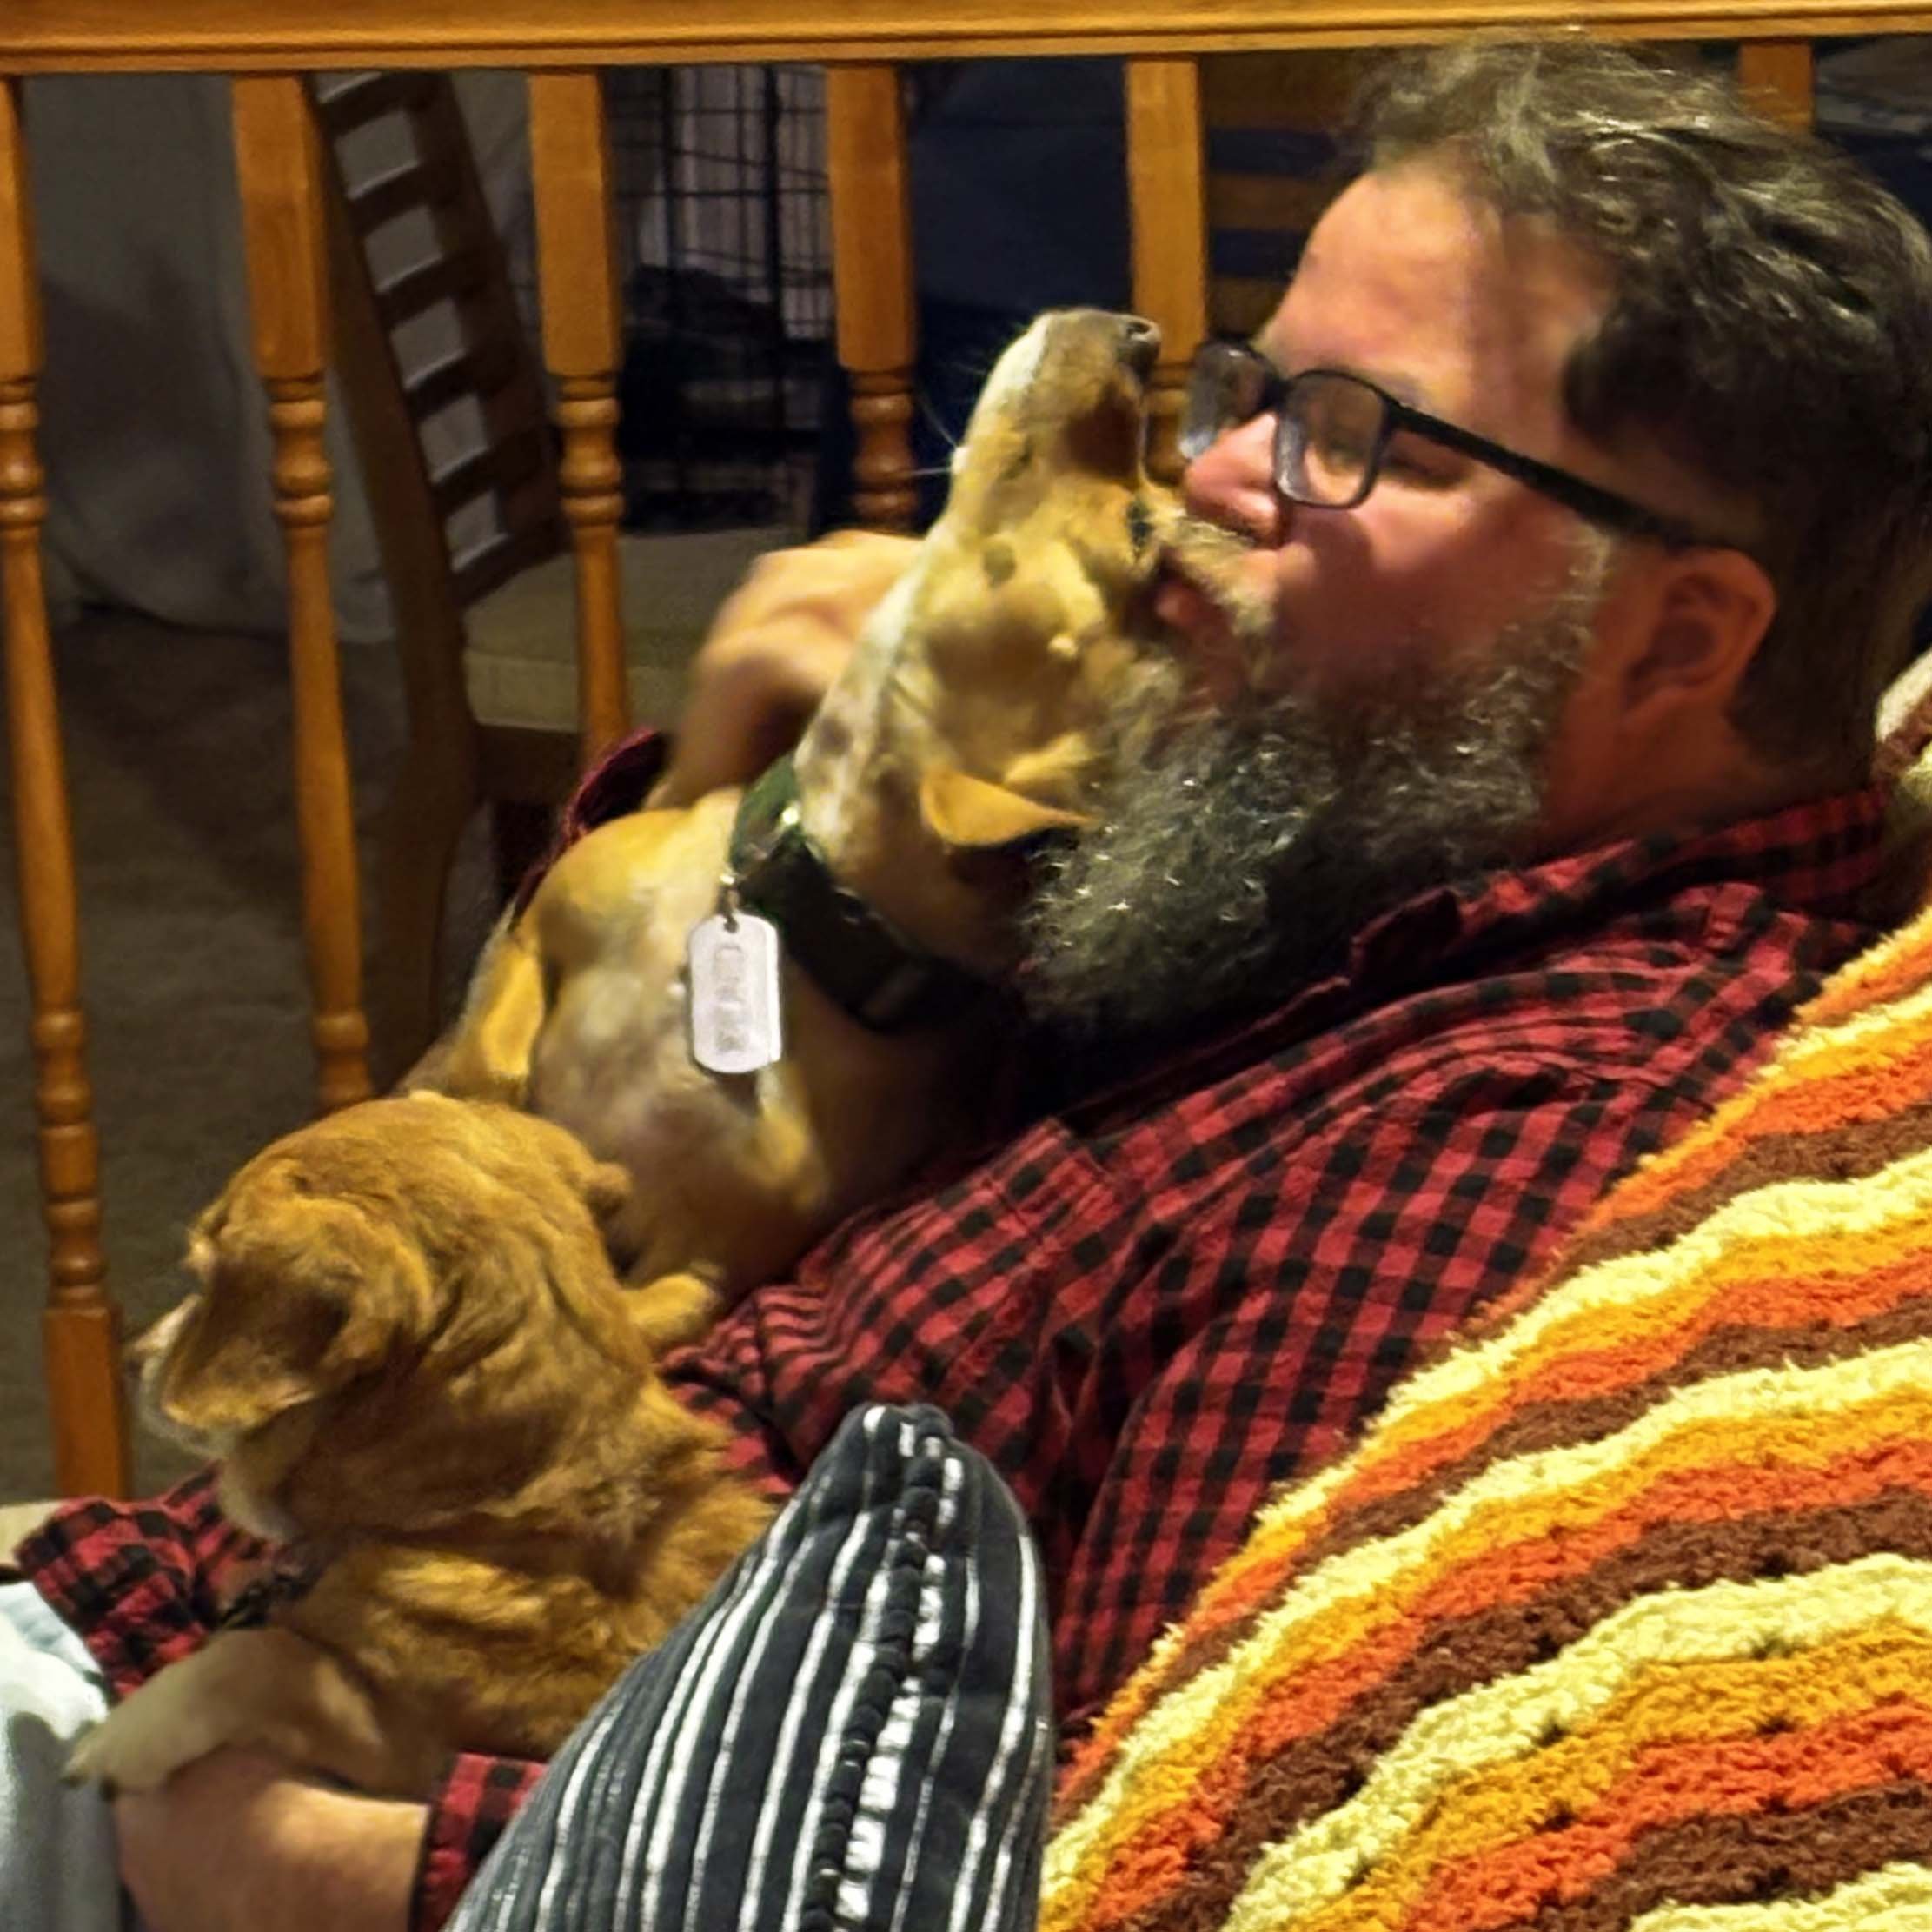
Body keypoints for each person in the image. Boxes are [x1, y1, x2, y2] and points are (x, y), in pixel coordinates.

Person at [10, 35, 1932, 1932]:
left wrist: (320, 1864)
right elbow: (661, 1072)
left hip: (284, 1763)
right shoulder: (1351, 845)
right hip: (218, 1596)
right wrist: (784, 817)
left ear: (1679, 628)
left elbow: (1100, 1832)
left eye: (1356, 438)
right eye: (1250, 387)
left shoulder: (1518, 1138)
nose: (1209, 476)